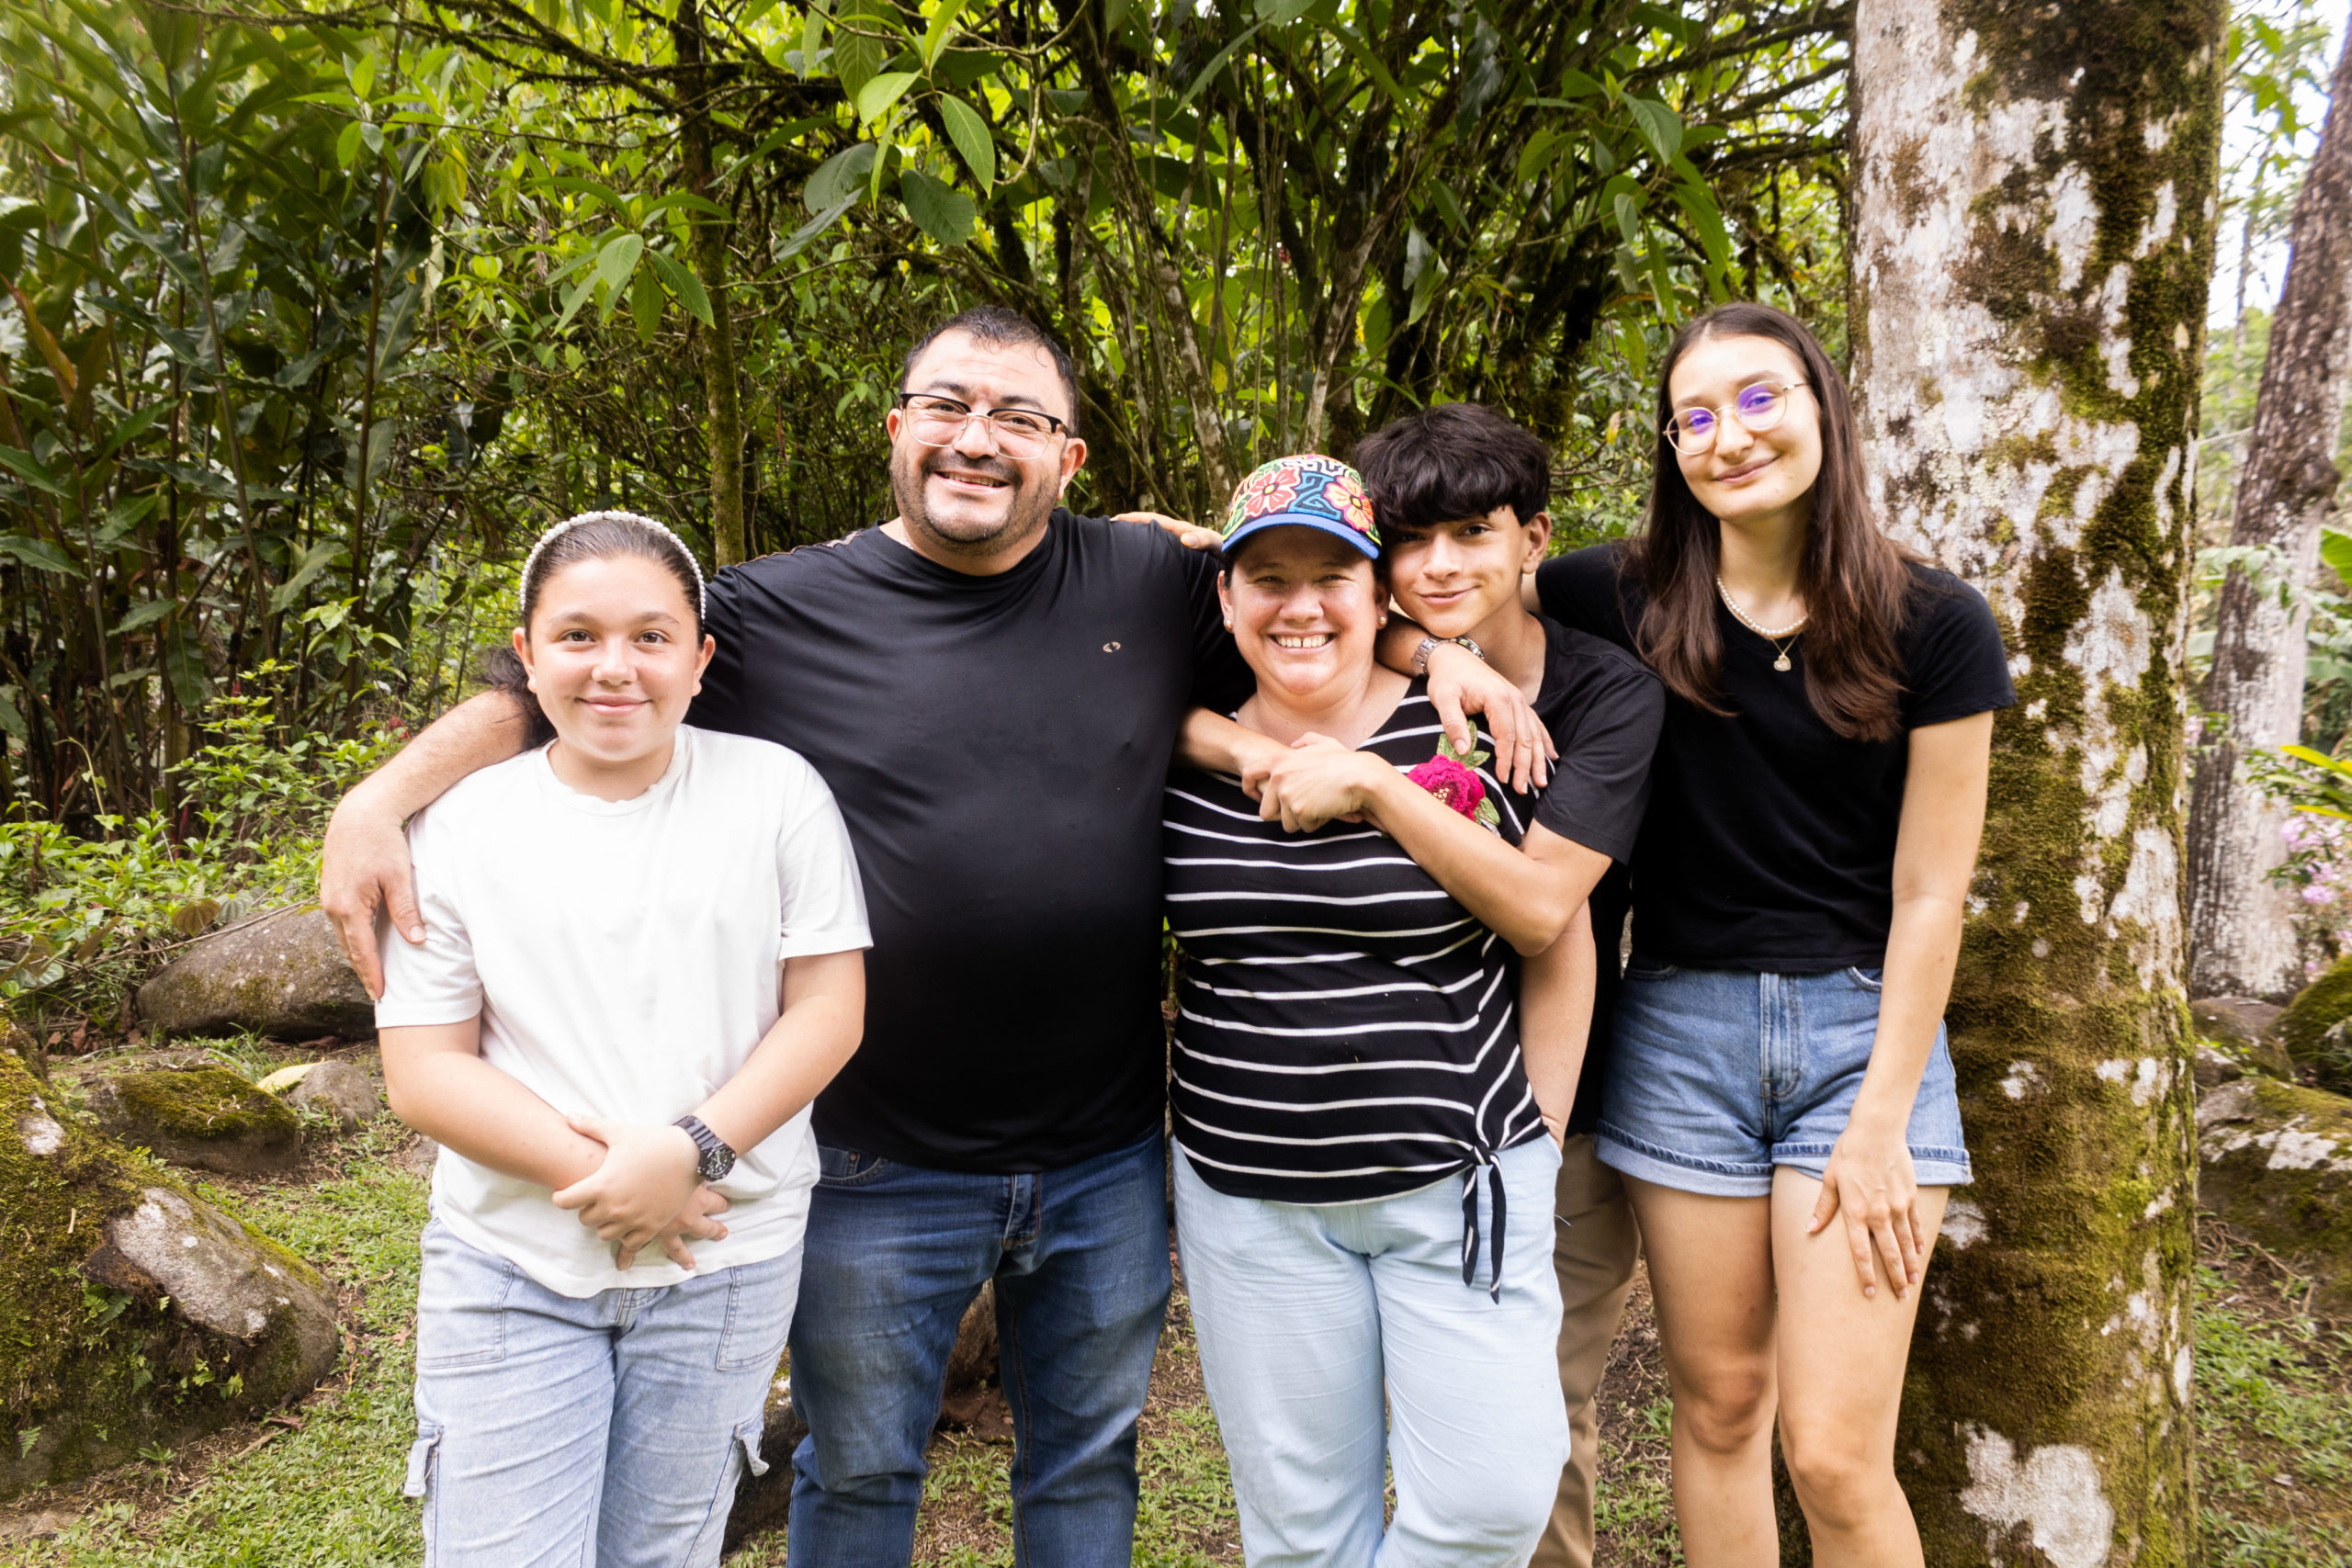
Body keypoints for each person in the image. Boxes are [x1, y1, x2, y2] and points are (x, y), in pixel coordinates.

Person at [324, 308, 1548, 1568]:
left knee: (1085, 1457)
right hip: (876, 1153)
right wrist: (379, 796)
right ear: (898, 429)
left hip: (1106, 1149)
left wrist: (1437, 648)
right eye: (950, 406)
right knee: (856, 1466)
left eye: (1020, 417)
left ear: (1069, 460)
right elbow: (568, 664)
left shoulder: (1141, 577)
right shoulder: (776, 609)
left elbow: (1296, 592)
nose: (979, 438)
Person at [1529, 302, 2011, 1565]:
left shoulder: (1936, 622)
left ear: (1820, 408)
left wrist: (1880, 1123)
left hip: (1867, 1037)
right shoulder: (1611, 591)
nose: (1726, 435)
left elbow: (1930, 892)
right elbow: (1426, 581)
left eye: (1756, 398)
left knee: (1837, 1452)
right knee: (1723, 1404)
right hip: (1679, 1026)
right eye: (1693, 417)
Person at [375, 511, 871, 1566]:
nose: (615, 669)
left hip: (725, 1255)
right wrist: (615, 1174)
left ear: (700, 659)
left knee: (667, 1550)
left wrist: (687, 1149)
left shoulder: (775, 791)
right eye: (577, 636)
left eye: (651, 638)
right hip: (512, 1261)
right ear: (526, 654)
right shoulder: (459, 824)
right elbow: (424, 1071)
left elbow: (829, 1009)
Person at [1160, 455, 1594, 1566]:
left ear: (1376, 597)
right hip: (1249, 1200)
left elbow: (1557, 938)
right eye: (1268, 577)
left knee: (1495, 1500)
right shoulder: (1173, 751)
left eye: (1330, 576)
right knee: (1301, 1530)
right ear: (1225, 596)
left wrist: (1534, 1137)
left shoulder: (1467, 733)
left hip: (1456, 1185)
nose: (1300, 605)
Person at [1349, 403, 1660, 1568]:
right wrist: (1433, 658)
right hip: (1377, 1118)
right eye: (1408, 540)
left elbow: (1541, 908)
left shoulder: (1612, 697)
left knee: (1537, 1416)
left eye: (1470, 535)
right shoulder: (1363, 650)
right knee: (1405, 1426)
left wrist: (1386, 788)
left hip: (1548, 1115)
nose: (1437, 567)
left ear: (1533, 539)